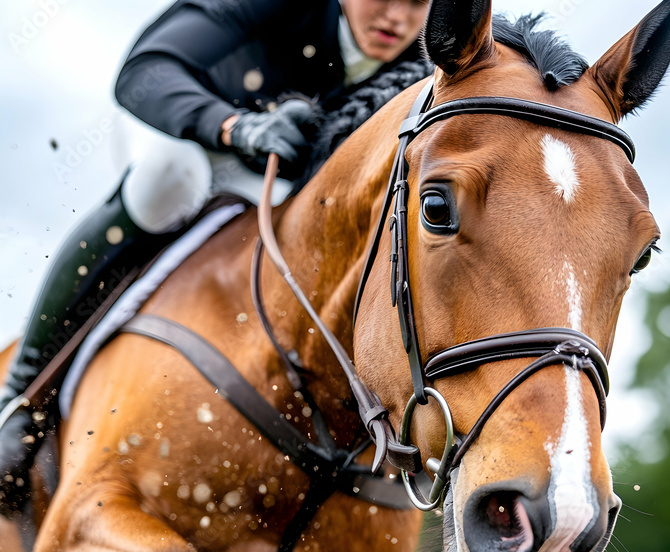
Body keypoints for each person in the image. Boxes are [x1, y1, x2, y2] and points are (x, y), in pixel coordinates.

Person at [0, 0, 429, 515]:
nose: (397, 18)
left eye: (418, 2)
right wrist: (234, 127)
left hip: (274, 177)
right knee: (169, 183)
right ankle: (22, 397)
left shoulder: (427, 57)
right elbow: (143, 73)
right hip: (184, 132)